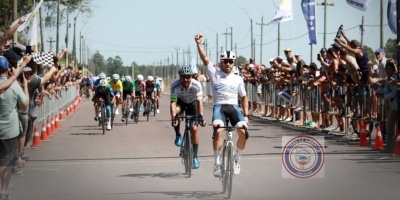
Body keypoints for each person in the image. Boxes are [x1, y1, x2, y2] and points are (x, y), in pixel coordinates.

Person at [195, 33, 249, 177]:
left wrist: (247, 115)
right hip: (220, 107)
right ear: (221, 62)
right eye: (225, 61)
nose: (228, 64)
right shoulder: (214, 73)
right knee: (218, 131)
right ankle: (217, 164)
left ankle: (237, 160)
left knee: (243, 132)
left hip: (234, 108)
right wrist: (199, 44)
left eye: (231, 61)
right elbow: (205, 59)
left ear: (234, 63)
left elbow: (244, 97)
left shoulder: (238, 78)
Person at [0, 56, 29, 200]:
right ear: (7, 69)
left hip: (8, 131)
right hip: (8, 131)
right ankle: (4, 192)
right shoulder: (13, 86)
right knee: (6, 162)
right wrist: (24, 86)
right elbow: (24, 104)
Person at [170, 66, 206, 169]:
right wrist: (173, 118)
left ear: (191, 77)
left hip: (192, 103)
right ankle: (178, 135)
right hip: (180, 103)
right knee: (176, 112)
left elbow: (200, 102)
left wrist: (201, 116)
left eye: (188, 77)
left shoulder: (196, 85)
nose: (185, 80)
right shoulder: (174, 86)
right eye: (183, 77)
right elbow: (172, 103)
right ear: (180, 77)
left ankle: (195, 157)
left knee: (194, 129)